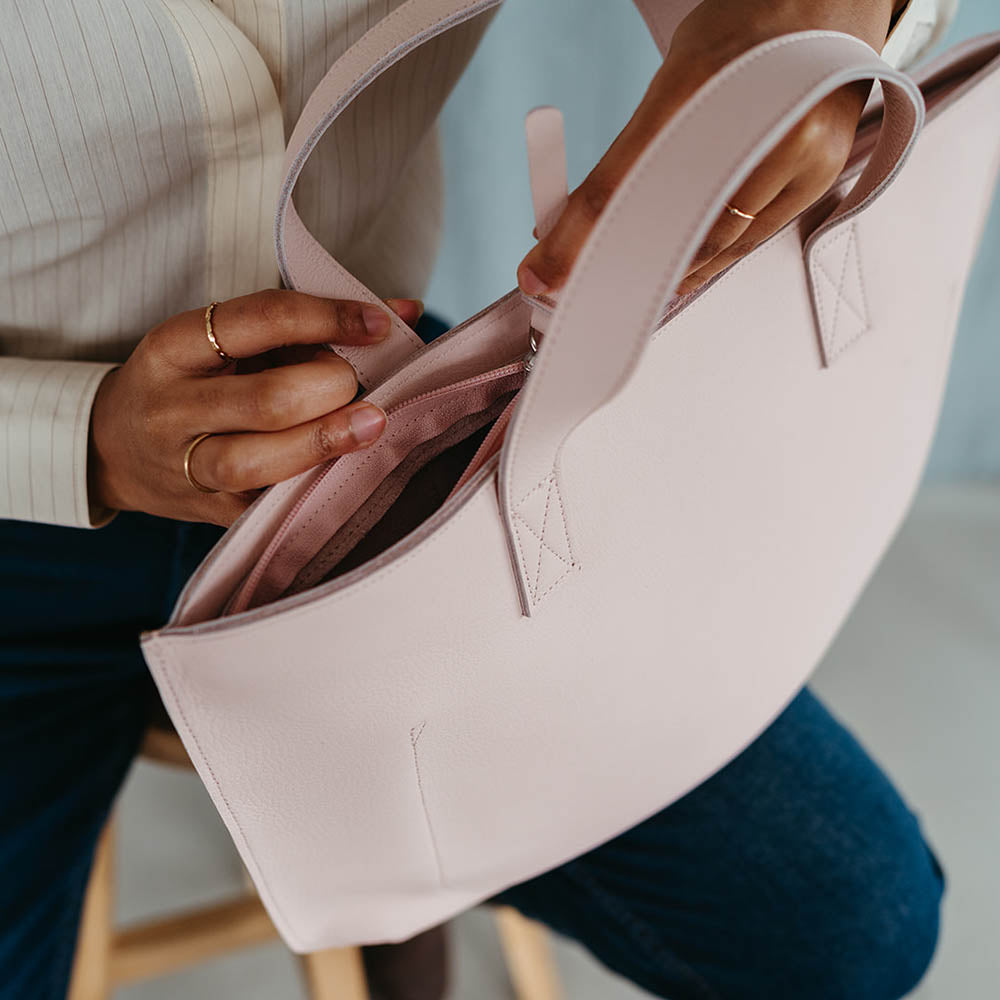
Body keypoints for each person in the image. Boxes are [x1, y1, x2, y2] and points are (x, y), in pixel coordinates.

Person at [0, 1, 956, 997]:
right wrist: (77, 435)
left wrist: (806, 24)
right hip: (17, 512)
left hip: (381, 435)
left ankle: (400, 856)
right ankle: (391, 854)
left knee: (849, 927)